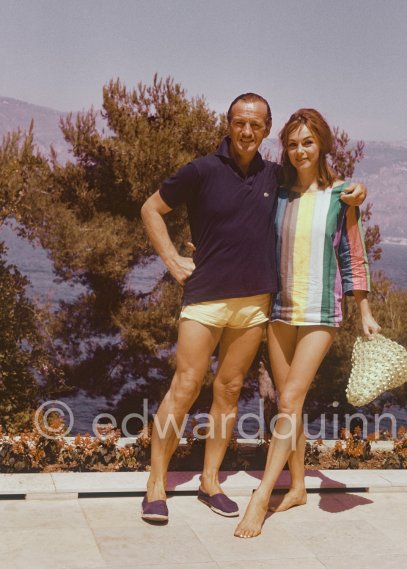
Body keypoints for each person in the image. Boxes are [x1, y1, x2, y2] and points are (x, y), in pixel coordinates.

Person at [140, 94, 366, 522]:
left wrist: (357, 189)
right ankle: (155, 485)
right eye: (240, 123)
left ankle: (210, 481)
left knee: (227, 392)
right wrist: (172, 260)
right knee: (185, 387)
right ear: (229, 124)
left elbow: (316, 182)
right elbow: (151, 208)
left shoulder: (274, 175)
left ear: (266, 130)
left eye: (256, 125)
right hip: (204, 298)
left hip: (255, 305)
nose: (247, 131)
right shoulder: (202, 169)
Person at [234, 108, 380, 538]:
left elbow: (353, 255)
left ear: (323, 145)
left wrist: (365, 312)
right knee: (288, 405)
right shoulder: (276, 194)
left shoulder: (342, 196)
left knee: (289, 399)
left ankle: (261, 496)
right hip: (279, 308)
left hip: (320, 312)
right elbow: (244, 232)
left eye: (308, 142)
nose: (300, 151)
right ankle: (297, 486)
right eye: (293, 143)